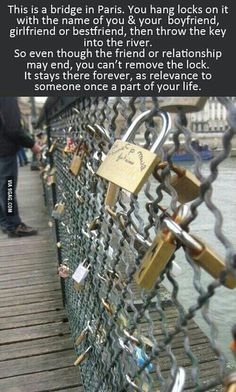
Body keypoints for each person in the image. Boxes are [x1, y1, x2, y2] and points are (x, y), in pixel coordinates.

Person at [0, 97, 41, 237]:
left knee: (2, 189)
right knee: (8, 188)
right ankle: (14, 225)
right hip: (4, 151)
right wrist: (31, 144)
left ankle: (6, 223)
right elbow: (13, 128)